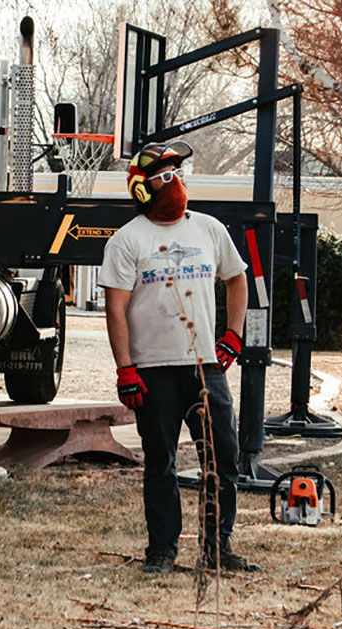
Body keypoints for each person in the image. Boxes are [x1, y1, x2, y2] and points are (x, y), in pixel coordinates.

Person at [98, 141, 262, 575]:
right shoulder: (127, 241)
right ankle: (162, 552)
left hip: (205, 367)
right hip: (152, 371)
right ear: (142, 189)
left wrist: (233, 335)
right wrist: (125, 368)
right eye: (166, 176)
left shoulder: (209, 229)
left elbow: (237, 280)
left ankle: (217, 548)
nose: (177, 183)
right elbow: (116, 309)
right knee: (161, 463)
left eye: (179, 173)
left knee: (222, 459)